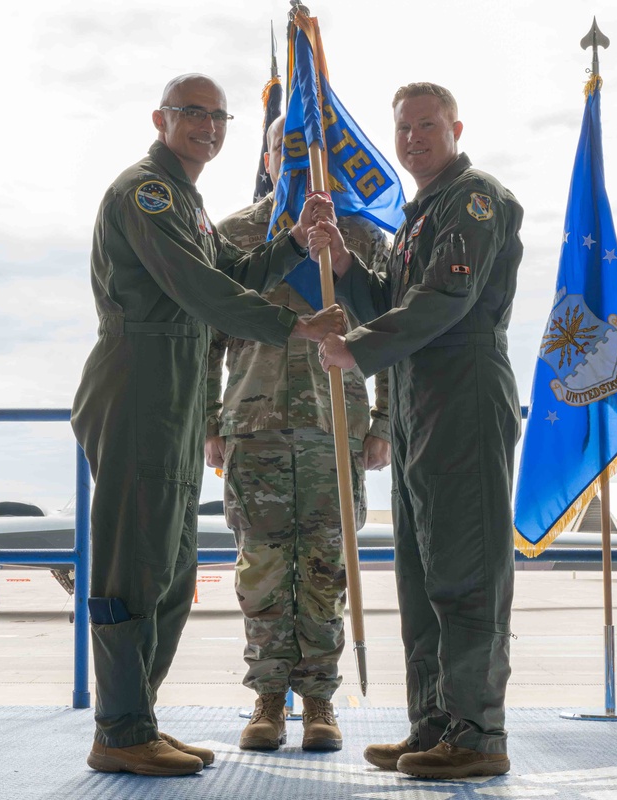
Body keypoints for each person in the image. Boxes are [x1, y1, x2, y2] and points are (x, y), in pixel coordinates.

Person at [71, 73, 345, 778]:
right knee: (134, 563)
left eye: (218, 116)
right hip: (140, 387)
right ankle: (120, 728)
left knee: (170, 568)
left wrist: (293, 240)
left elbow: (236, 269)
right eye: (193, 113)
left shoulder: (188, 203)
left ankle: (137, 722)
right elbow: (204, 290)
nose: (210, 126)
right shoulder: (149, 193)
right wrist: (297, 324)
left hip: (176, 393)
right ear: (160, 118)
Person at [314, 82, 524, 780]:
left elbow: (447, 298)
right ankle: (434, 723)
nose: (412, 139)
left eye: (426, 126)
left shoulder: (473, 200)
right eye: (403, 128)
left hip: (461, 392)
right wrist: (346, 267)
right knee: (421, 571)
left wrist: (360, 346)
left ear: (455, 127)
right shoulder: (418, 218)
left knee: (465, 569)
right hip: (416, 400)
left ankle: (479, 735)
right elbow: (397, 298)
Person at [205, 115, 391, 752]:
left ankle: (319, 704)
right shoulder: (236, 234)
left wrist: (385, 424)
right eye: (283, 145)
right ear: (266, 150)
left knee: (325, 570)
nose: (294, 156)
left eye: (306, 145)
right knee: (260, 569)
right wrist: (209, 421)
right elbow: (206, 333)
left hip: (333, 429)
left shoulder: (361, 233)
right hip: (252, 428)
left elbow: (391, 329)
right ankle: (267, 700)